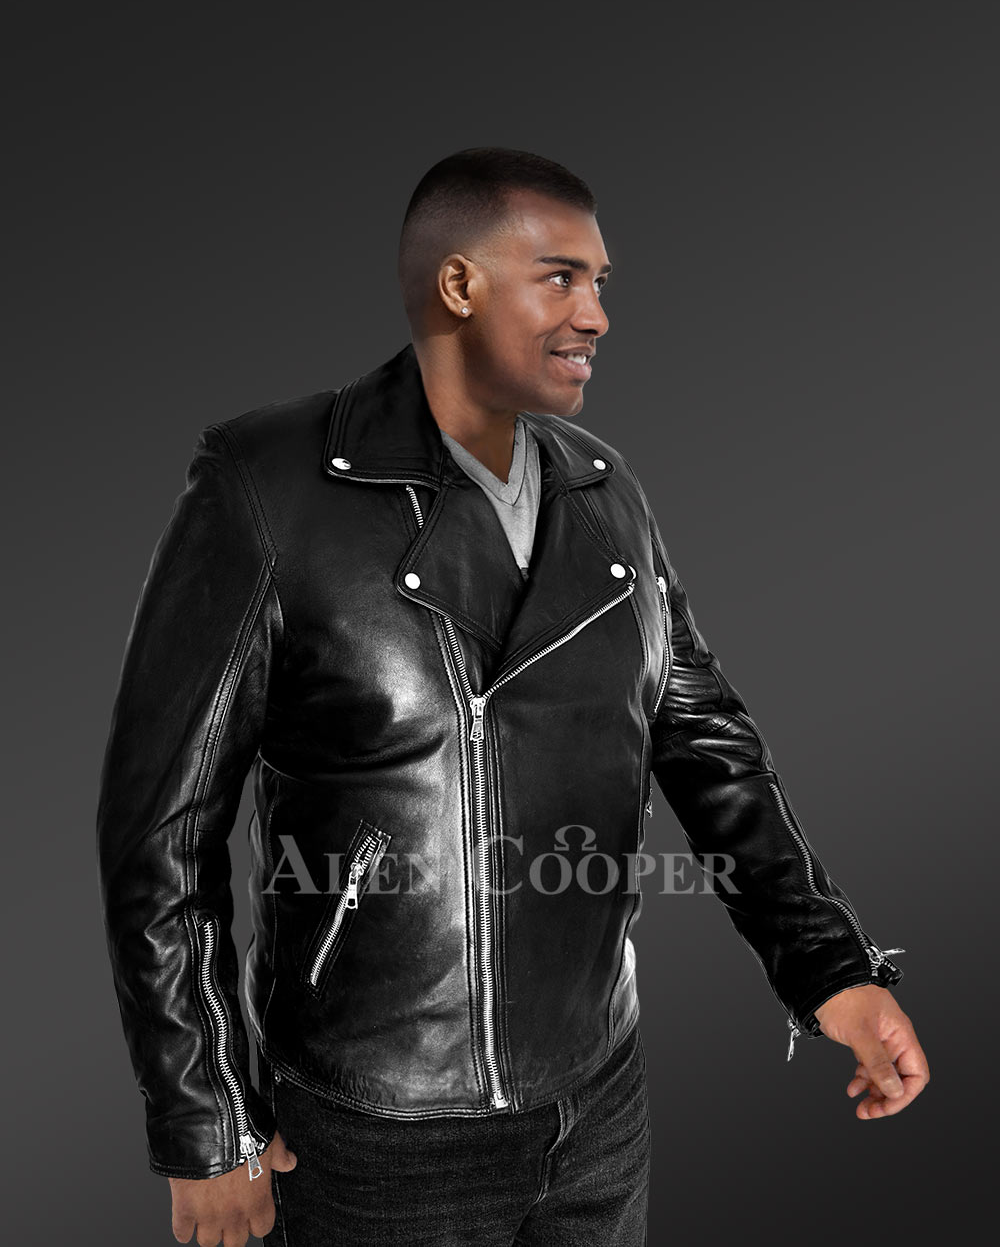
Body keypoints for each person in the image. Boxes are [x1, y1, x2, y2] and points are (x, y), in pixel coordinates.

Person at [96, 147, 930, 1247]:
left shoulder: (604, 493)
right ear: (459, 284)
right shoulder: (269, 484)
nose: (597, 314)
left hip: (596, 1110)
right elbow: (161, 828)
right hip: (375, 1129)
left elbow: (708, 746)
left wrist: (829, 969)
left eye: (601, 283)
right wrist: (206, 1119)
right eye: (561, 277)